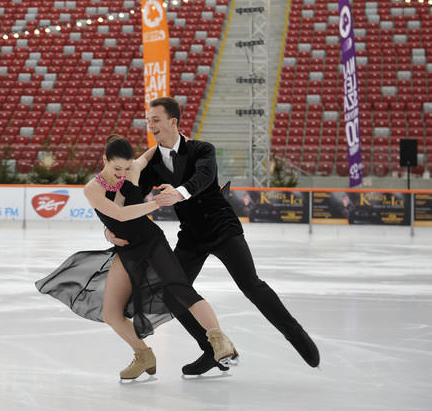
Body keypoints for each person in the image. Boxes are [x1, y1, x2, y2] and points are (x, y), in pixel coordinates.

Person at [105, 96, 319, 375]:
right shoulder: (153, 161)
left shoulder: (201, 149)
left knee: (250, 284)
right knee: (172, 293)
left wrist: (178, 193)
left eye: (155, 120)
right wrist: (111, 226)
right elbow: (131, 199)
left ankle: (295, 333)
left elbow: (204, 176)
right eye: (148, 121)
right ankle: (211, 350)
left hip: (221, 227)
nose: (151, 125)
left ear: (173, 122)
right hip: (192, 235)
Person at [36, 135, 238, 380]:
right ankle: (143, 355)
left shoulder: (133, 170)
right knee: (111, 313)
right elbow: (119, 215)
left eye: (127, 167)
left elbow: (154, 152)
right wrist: (150, 207)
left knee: (181, 291)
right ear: (104, 161)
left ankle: (219, 340)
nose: (122, 173)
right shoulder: (93, 188)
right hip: (127, 250)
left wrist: (179, 139)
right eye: (116, 168)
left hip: (152, 243)